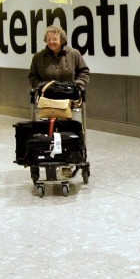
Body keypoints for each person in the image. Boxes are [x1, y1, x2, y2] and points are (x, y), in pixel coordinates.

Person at [27, 25, 90, 177]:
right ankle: (48, 157)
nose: (51, 42)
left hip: (70, 102)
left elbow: (84, 72)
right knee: (48, 131)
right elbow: (32, 77)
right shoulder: (38, 58)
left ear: (61, 39)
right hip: (47, 102)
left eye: (54, 39)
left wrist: (78, 86)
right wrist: (39, 86)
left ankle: (69, 160)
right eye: (48, 39)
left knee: (70, 129)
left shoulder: (73, 54)